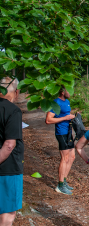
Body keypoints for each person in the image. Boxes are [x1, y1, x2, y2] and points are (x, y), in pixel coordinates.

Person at [0, 77, 23, 226]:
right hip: (8, 169)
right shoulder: (13, 110)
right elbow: (9, 145)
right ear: (16, 92)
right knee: (8, 213)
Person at [45, 87, 76, 195]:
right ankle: (60, 185)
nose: (71, 93)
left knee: (72, 157)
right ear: (62, 92)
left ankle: (65, 181)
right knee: (65, 157)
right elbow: (48, 120)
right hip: (61, 133)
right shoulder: (56, 103)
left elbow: (66, 116)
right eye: (69, 91)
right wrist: (65, 118)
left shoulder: (67, 102)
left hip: (68, 132)